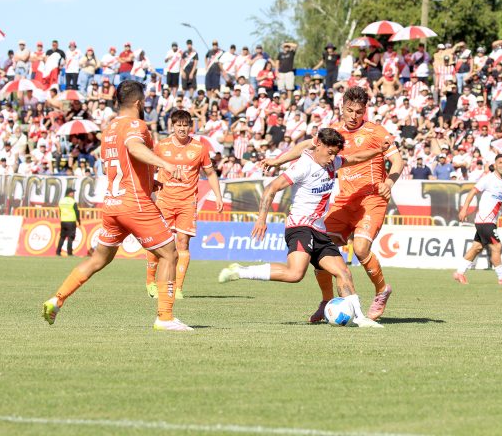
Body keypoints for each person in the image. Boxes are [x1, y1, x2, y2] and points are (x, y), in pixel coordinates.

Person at [42, 80, 192, 331]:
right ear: (139, 103)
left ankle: (57, 300)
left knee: (98, 259)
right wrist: (166, 165)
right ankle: (165, 318)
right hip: (135, 204)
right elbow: (133, 147)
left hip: (112, 204)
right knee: (170, 253)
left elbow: (113, 167)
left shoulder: (109, 129)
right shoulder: (136, 125)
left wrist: (150, 181)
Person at [218, 127, 386, 328]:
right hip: (300, 227)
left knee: (343, 272)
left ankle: (359, 318)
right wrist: (262, 219)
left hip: (319, 230)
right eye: (330, 153)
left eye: (335, 154)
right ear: (318, 145)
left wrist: (379, 150)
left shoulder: (332, 163)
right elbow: (271, 188)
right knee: (295, 274)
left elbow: (357, 157)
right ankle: (241, 271)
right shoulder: (303, 166)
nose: (333, 158)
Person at [261, 86, 403, 322]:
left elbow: (397, 161)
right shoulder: (334, 132)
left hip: (371, 198)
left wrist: (389, 181)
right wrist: (277, 161)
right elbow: (303, 147)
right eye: (349, 110)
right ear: (342, 108)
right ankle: (326, 300)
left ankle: (381, 290)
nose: (354, 116)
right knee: (321, 249)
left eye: (359, 111)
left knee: (360, 248)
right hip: (344, 200)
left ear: (365, 111)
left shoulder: (377, 132)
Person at [144, 110, 224, 299]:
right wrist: (149, 186)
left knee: (183, 242)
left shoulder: (199, 148)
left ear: (191, 127)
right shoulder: (162, 146)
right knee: (158, 242)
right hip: (164, 200)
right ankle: (150, 282)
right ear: (172, 126)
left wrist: (218, 196)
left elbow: (210, 173)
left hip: (187, 202)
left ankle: (177, 288)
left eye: (185, 125)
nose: (182, 129)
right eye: (178, 125)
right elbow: (149, 169)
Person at [453, 154, 502, 285]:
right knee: (497, 246)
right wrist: (464, 209)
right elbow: (473, 192)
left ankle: (459, 273)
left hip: (490, 221)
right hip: (485, 220)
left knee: (477, 247)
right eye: (500, 163)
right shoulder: (488, 179)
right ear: (495, 165)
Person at [56, 187, 80, 257]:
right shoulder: (72, 201)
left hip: (63, 221)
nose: (73, 194)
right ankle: (69, 252)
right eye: (72, 192)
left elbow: (60, 210)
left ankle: (58, 252)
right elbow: (77, 211)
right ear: (69, 193)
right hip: (71, 221)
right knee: (70, 237)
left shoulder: (61, 201)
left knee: (62, 237)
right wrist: (78, 220)